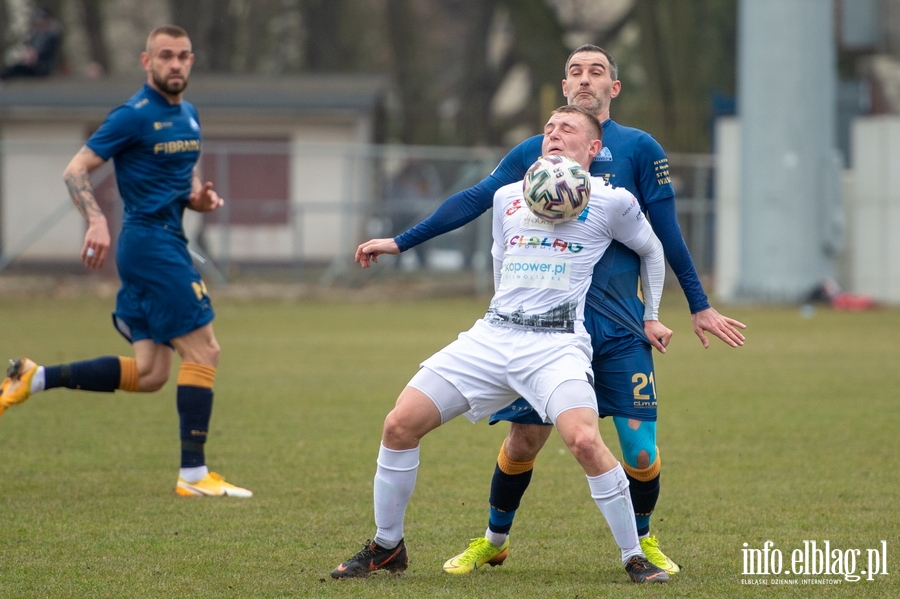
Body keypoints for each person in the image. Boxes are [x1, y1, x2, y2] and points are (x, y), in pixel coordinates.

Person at [355, 45, 746, 575]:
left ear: (614, 87)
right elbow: (478, 204)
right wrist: (402, 242)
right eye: (575, 73)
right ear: (563, 86)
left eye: (597, 71)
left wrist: (692, 305)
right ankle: (489, 538)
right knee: (520, 439)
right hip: (518, 326)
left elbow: (663, 239)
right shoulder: (526, 168)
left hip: (613, 324)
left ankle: (640, 545)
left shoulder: (635, 154)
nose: (585, 80)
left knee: (635, 450)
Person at [333, 105, 670, 583]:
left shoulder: (612, 201)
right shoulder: (511, 194)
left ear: (593, 148)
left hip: (556, 345)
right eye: (548, 128)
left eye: (567, 129)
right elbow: (498, 254)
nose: (553, 134)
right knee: (398, 425)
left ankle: (634, 556)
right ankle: (388, 546)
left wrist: (652, 315)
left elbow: (652, 248)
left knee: (583, 440)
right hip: (493, 337)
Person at [0, 25, 251, 499]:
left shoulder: (189, 115)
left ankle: (35, 377)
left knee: (153, 373)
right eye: (165, 56)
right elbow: (76, 170)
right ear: (147, 61)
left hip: (164, 240)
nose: (175, 64)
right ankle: (194, 476)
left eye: (182, 56)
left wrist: (200, 199)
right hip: (150, 246)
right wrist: (95, 220)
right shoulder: (132, 116)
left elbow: (184, 185)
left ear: (191, 61)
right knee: (205, 352)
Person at [0, 8, 62, 80]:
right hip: (33, 65)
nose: (38, 22)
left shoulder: (51, 36)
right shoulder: (36, 35)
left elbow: (39, 52)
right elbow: (29, 48)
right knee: (13, 68)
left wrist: (31, 56)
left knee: (17, 69)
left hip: (42, 67)